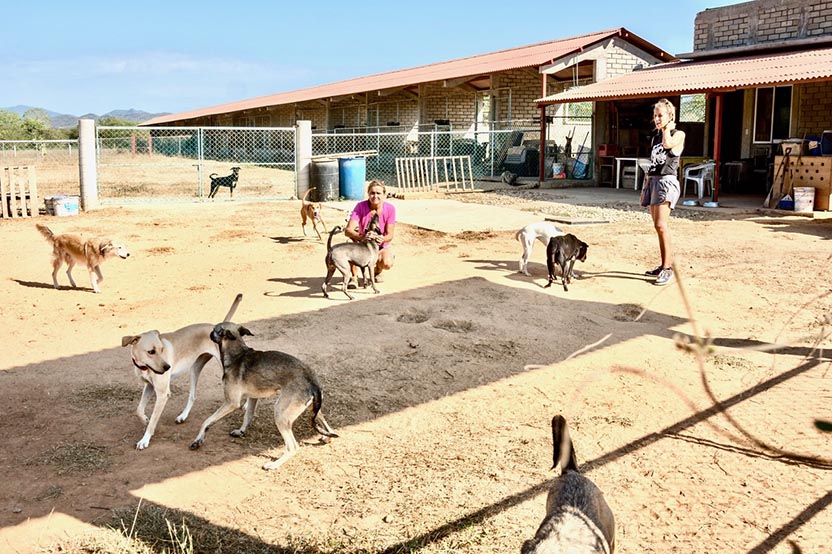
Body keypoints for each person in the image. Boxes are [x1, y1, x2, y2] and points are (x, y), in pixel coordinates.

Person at [641, 98, 685, 286]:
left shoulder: (678, 134)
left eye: (661, 116)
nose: (657, 119)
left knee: (662, 225)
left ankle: (668, 269)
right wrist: (645, 186)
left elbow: (668, 145)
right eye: (655, 116)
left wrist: (667, 129)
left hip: (667, 182)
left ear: (670, 116)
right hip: (653, 182)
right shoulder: (654, 138)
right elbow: (653, 164)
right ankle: (663, 264)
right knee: (657, 227)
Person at [344, 180, 396, 287]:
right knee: (348, 244)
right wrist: (362, 236)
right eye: (372, 193)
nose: (375, 196)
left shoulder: (390, 209)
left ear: (384, 194)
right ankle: (353, 277)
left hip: (380, 246)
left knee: (387, 263)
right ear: (368, 194)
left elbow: (390, 235)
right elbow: (348, 230)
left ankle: (378, 270)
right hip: (363, 245)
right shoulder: (360, 207)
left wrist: (382, 238)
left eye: (378, 193)